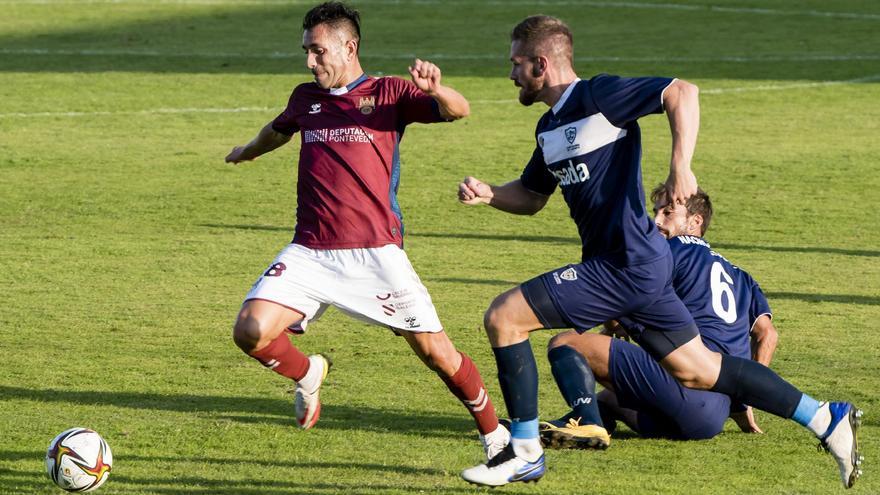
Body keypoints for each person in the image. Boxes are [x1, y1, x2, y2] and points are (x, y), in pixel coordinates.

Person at [457, 15, 861, 488]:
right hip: (640, 265)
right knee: (699, 371)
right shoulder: (548, 128)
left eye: (516, 64)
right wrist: (490, 194)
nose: (510, 74)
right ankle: (824, 417)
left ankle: (523, 451)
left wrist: (680, 167)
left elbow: (682, 92)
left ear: (541, 64)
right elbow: (530, 195)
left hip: (624, 264)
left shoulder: (599, 96)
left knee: (504, 317)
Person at [224, 1, 508, 459]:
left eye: (317, 52)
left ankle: (496, 437)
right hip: (310, 251)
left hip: (375, 253)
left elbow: (459, 110)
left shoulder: (390, 93)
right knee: (250, 330)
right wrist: (249, 152)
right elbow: (277, 131)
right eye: (306, 52)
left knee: (437, 354)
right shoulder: (305, 98)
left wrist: (437, 90)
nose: (309, 61)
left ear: (348, 47)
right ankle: (307, 373)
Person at [540, 186, 778, 447]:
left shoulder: (667, 252)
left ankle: (586, 424)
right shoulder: (742, 275)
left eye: (668, 213)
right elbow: (767, 334)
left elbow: (620, 298)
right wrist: (744, 399)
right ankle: (582, 422)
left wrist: (611, 325)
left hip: (684, 386)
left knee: (567, 342)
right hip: (710, 418)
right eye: (655, 212)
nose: (656, 221)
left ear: (695, 221)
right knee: (607, 398)